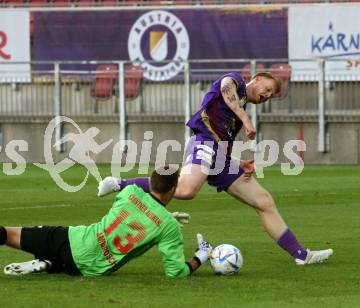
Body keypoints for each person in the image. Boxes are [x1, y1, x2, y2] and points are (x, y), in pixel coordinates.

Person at [98, 72, 333, 265]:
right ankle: (119, 183)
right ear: (257, 79)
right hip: (203, 142)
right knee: (186, 191)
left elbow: (223, 140)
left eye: (271, 95)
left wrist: (237, 161)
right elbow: (225, 87)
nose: (267, 95)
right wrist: (246, 117)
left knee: (264, 202)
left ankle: (301, 255)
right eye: (267, 89)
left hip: (220, 155)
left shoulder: (239, 112)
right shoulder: (236, 82)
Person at [0, 167, 211, 277]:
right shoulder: (168, 228)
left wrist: (160, 214)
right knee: (63, 262)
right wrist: (201, 257)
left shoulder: (133, 192)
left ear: (150, 181)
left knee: (6, 233)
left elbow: (134, 211)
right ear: (174, 190)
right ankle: (44, 264)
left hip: (73, 240)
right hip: (91, 270)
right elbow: (176, 272)